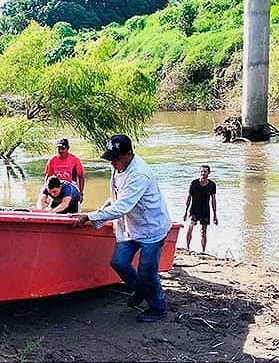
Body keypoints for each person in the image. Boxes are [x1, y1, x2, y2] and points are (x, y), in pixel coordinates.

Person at [73, 135, 172, 323]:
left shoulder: (139, 174)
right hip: (130, 226)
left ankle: (158, 307)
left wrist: (90, 216)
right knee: (119, 263)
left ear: (129, 154)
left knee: (147, 271)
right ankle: (143, 290)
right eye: (111, 158)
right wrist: (100, 211)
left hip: (152, 227)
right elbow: (116, 197)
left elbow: (123, 206)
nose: (113, 163)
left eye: (116, 159)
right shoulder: (119, 167)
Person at [183, 165, 217, 253]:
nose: (203, 173)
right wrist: (185, 212)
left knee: (203, 232)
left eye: (205, 171)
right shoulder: (194, 183)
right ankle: (187, 248)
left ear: (209, 173)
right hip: (194, 210)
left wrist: (215, 215)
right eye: (201, 171)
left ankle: (203, 251)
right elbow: (189, 198)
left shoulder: (212, 185)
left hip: (205, 211)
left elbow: (213, 200)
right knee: (190, 227)